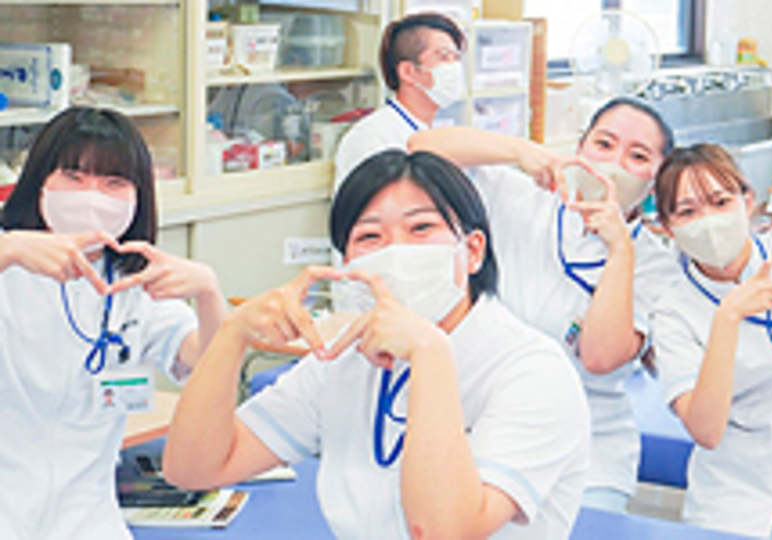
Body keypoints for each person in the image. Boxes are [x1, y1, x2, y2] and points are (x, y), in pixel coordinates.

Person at [164, 150, 589, 540]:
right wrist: (233, 335)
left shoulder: (533, 371)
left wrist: (429, 353)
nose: (396, 251)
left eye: (421, 228)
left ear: (473, 251)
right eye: (369, 237)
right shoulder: (343, 358)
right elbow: (194, 468)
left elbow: (444, 532)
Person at [408, 97, 681, 512]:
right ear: (580, 147)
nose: (614, 163)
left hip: (590, 450)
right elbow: (423, 148)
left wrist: (620, 250)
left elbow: (600, 356)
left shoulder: (655, 266)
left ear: (656, 179)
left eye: (638, 156)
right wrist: (520, 151)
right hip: (485, 426)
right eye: (603, 144)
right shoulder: (521, 198)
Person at [0, 107, 226, 540]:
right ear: (39, 180)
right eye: (74, 176)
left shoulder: (136, 284)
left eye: (114, 183)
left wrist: (209, 295)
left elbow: (208, 363)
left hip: (91, 521)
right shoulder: (9, 263)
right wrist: (7, 251)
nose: (91, 196)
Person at [651, 143, 772, 539]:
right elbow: (707, 431)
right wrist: (727, 319)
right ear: (666, 227)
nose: (709, 222)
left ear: (748, 201)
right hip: (736, 500)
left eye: (720, 202)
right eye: (687, 212)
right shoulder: (673, 312)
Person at [332, 12, 466, 190]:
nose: (454, 67)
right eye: (443, 57)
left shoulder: (429, 130)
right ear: (408, 72)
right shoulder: (371, 138)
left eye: (456, 58)